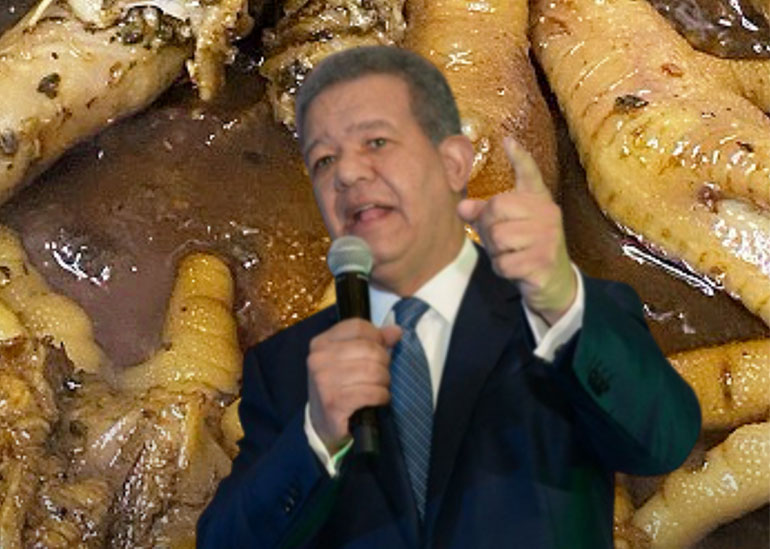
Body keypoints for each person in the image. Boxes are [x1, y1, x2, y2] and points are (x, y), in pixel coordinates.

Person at [197, 46, 701, 548]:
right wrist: (318, 437)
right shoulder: (286, 371)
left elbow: (663, 439)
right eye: (329, 163)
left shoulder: (575, 316)